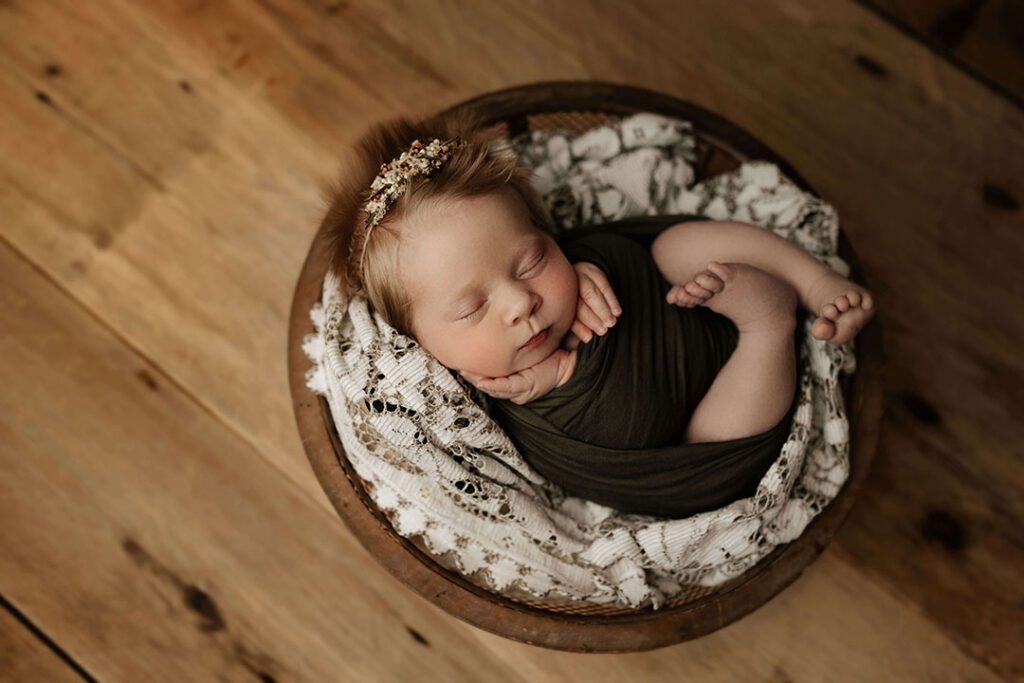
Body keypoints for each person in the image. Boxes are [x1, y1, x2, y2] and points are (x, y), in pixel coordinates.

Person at [317, 110, 874, 517]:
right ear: (415, 339)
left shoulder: (577, 265)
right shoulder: (451, 406)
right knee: (709, 434)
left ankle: (812, 279)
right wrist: (562, 375)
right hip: (694, 428)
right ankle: (769, 322)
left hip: (685, 302)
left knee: (669, 248)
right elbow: (630, 433)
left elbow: (613, 249)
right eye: (471, 307)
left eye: (533, 260)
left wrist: (594, 264)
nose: (520, 303)